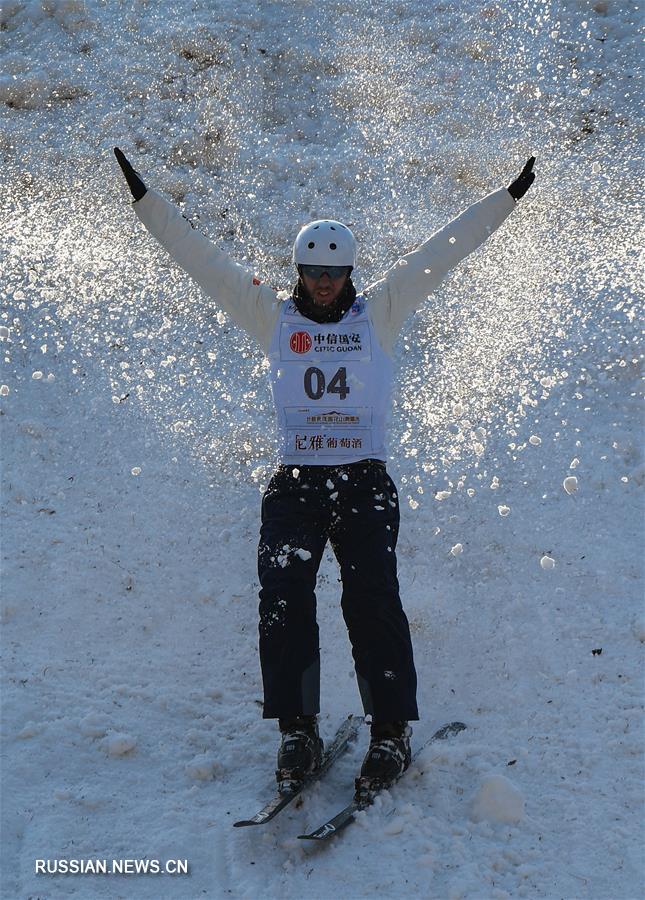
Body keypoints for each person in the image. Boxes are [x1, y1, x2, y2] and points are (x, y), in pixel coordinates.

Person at [114, 147, 535, 792]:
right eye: (314, 272)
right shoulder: (271, 317)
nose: (325, 283)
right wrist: (147, 203)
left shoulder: (381, 313)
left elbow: (442, 252)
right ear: (300, 271)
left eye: (335, 272)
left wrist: (506, 198)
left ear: (349, 272)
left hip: (363, 482)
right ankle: (298, 730)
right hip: (296, 485)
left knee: (371, 603)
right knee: (282, 603)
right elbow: (202, 261)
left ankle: (391, 734)